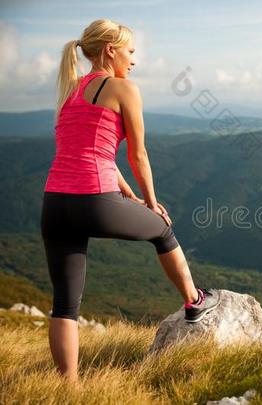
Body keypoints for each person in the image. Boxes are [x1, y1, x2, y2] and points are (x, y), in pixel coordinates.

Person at [40, 19, 221, 383]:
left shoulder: (70, 90)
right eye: (131, 50)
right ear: (110, 50)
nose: (134, 59)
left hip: (55, 203)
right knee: (163, 230)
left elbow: (87, 152)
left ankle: (68, 389)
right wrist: (151, 203)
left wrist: (127, 193)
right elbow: (138, 156)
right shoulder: (124, 89)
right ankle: (194, 301)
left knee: (65, 305)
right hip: (93, 200)